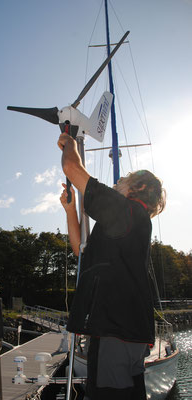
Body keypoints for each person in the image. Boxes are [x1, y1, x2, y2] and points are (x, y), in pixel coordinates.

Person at [58, 132, 166, 400]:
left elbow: (71, 167)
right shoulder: (126, 222)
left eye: (124, 180)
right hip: (125, 330)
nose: (118, 181)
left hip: (116, 329)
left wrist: (70, 143)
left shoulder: (127, 211)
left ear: (138, 189)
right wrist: (71, 211)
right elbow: (79, 251)